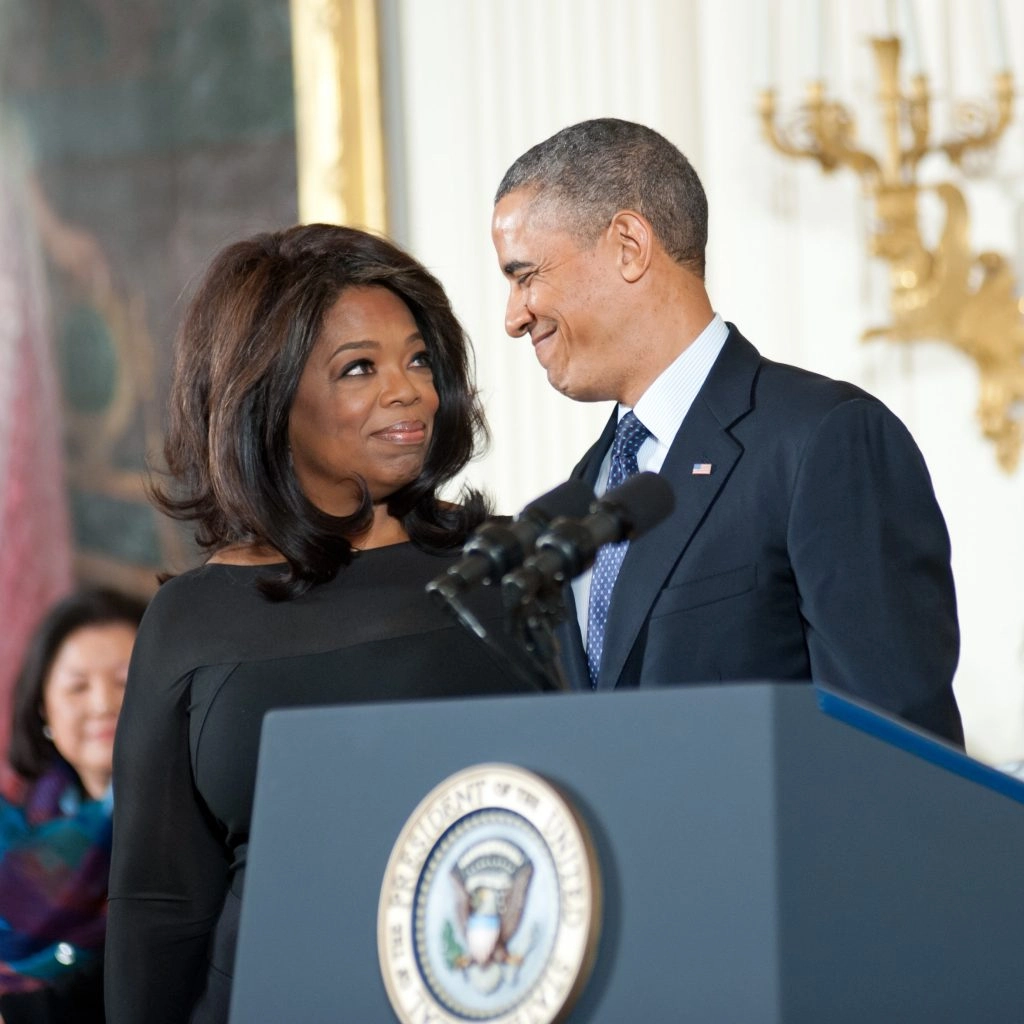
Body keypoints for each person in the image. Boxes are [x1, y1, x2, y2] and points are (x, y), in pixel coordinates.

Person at [104, 223, 548, 1024]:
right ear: (268, 397)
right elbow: (159, 911)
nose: (409, 390)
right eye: (359, 369)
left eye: (418, 359)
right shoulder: (191, 620)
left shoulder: (509, 567)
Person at [491, 117, 963, 745]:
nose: (513, 318)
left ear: (629, 245)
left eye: (526, 276)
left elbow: (899, 752)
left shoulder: (823, 441)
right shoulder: (582, 495)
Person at [0, 586, 146, 1024]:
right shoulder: (18, 823)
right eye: (78, 687)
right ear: (44, 710)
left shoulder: (184, 825)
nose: (103, 704)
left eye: (125, 681)